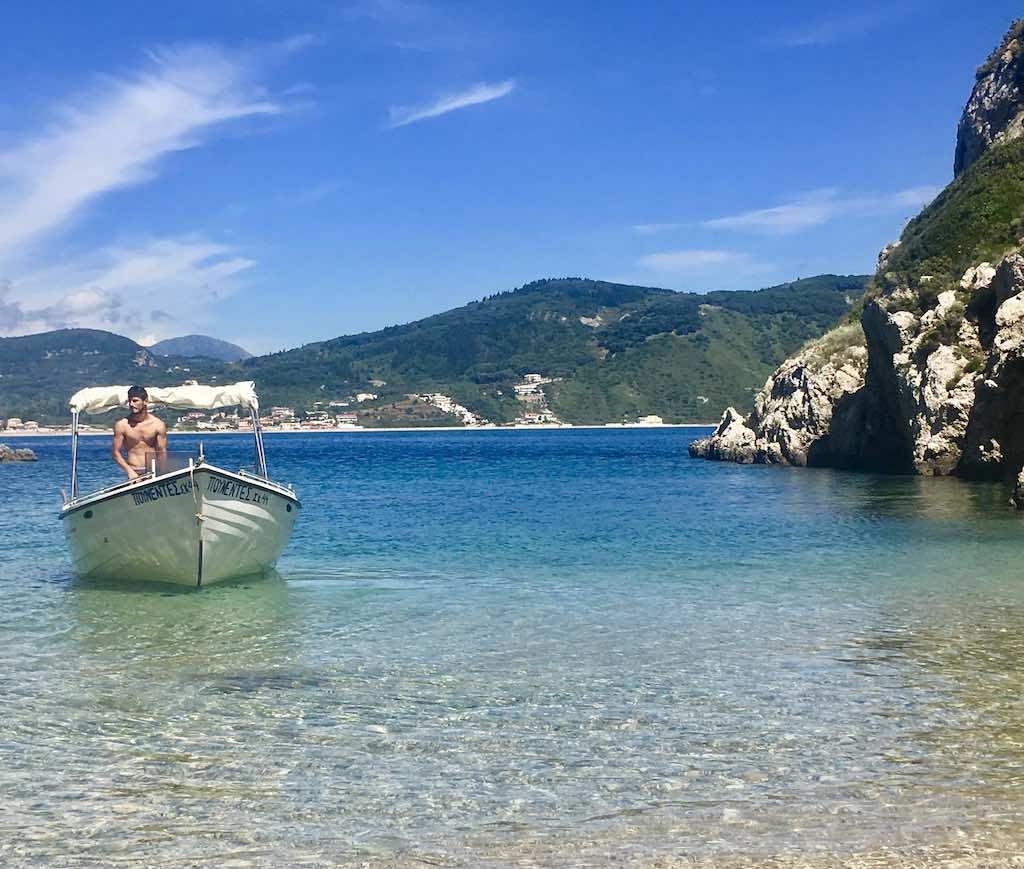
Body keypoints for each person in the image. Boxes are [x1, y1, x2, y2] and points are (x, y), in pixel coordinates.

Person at [112, 385, 167, 479]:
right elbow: (115, 452)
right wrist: (129, 471)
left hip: (152, 472)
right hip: (133, 472)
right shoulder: (122, 425)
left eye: (135, 401)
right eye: (129, 401)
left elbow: (162, 452)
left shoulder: (158, 425)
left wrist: (160, 472)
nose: (131, 404)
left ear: (145, 401)